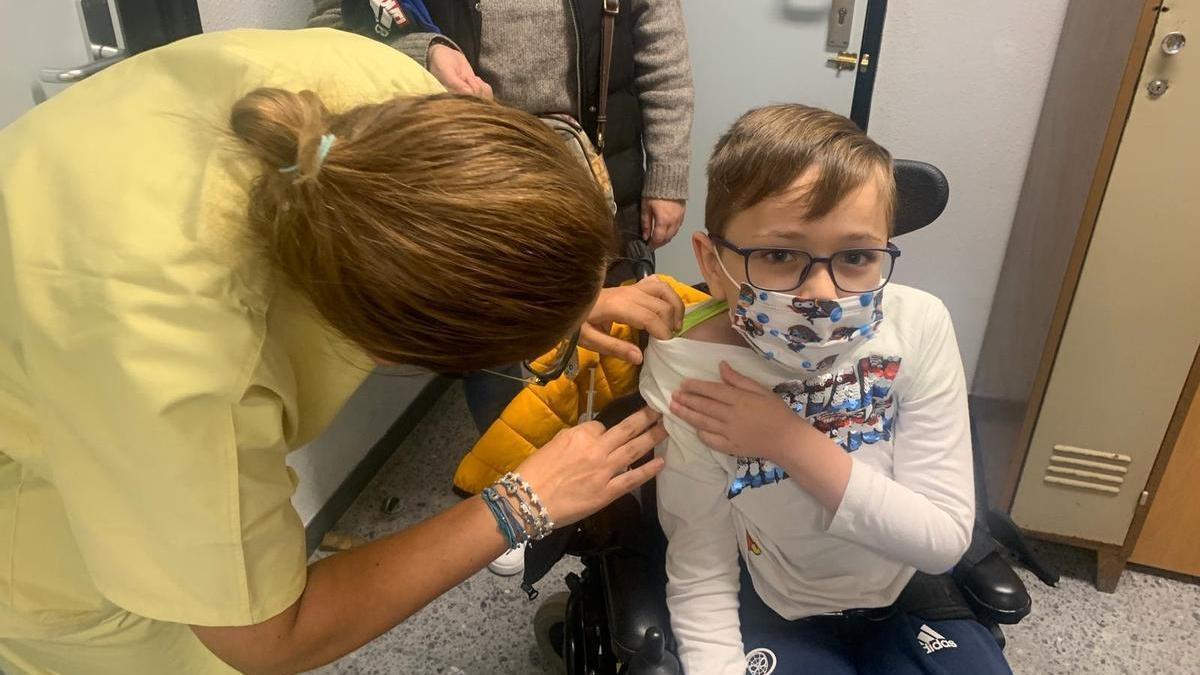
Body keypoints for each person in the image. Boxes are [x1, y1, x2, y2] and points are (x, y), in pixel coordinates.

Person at [0, 28, 679, 674]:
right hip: (42, 507)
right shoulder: (183, 368)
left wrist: (558, 296)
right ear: (386, 349)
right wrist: (522, 502)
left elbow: (443, 225)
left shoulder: (385, 101)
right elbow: (269, 638)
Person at [639, 105, 1012, 674]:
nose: (822, 293)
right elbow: (700, 569)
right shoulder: (689, 371)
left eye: (857, 257)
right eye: (781, 255)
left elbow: (941, 540)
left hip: (907, 586)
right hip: (775, 601)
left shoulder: (917, 326)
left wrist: (788, 441)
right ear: (712, 264)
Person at [310, 0, 695, 254]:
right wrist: (423, 53)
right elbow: (334, 30)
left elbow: (662, 50)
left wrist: (668, 175)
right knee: (496, 366)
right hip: (462, 199)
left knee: (610, 358)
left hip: (604, 187)